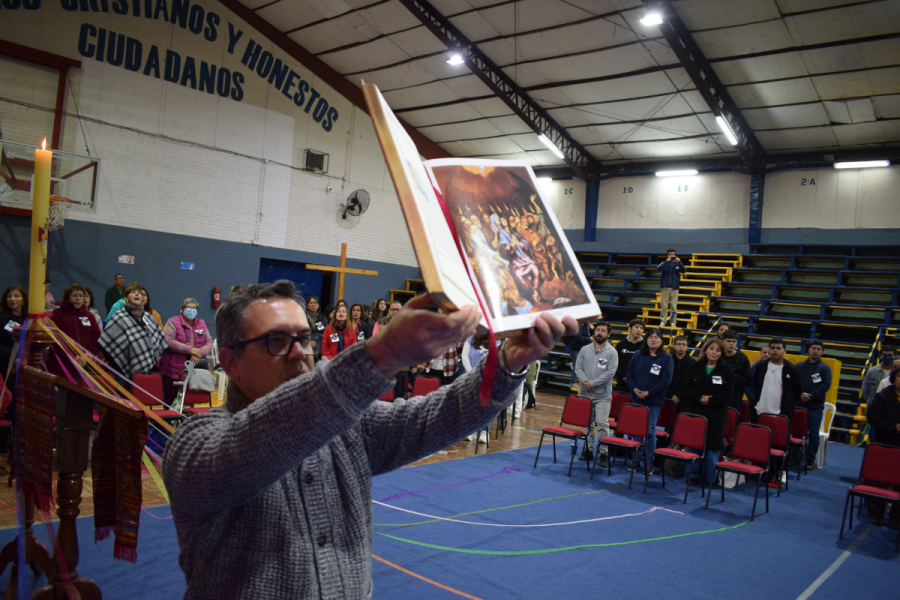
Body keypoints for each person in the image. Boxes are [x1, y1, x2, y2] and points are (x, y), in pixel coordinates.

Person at [162, 281, 574, 597]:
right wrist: (382, 354)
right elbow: (258, 443)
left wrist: (505, 366)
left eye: (303, 337)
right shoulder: (195, 445)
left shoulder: (349, 428)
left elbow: (432, 416)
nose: (300, 353)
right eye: (276, 341)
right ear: (230, 360)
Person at [682, 338, 733, 487]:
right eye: (712, 349)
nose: (714, 352)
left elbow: (727, 393)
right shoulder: (695, 366)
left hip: (716, 414)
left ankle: (709, 478)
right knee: (693, 446)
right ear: (706, 350)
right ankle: (692, 475)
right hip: (697, 412)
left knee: (712, 448)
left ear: (721, 353)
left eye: (718, 350)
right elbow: (687, 387)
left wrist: (711, 400)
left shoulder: (726, 370)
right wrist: (700, 398)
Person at [98, 282, 168, 389]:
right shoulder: (119, 316)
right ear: (125, 297)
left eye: (139, 293)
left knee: (141, 397)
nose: (137, 295)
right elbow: (107, 341)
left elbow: (159, 339)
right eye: (133, 292)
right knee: (123, 398)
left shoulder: (148, 317)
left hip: (146, 365)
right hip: (121, 366)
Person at [625, 328, 673, 474]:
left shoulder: (666, 358)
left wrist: (649, 392)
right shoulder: (638, 355)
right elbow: (629, 373)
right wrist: (634, 389)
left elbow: (666, 381)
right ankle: (636, 460)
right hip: (637, 397)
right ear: (646, 340)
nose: (653, 339)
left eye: (656, 337)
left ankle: (648, 463)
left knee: (650, 431)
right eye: (651, 337)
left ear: (661, 341)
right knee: (637, 430)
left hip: (654, 400)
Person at [574, 321, 618, 467]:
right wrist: (586, 382)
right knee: (587, 424)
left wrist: (593, 383)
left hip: (602, 395)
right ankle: (588, 449)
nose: (599, 332)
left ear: (608, 334)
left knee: (603, 424)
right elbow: (578, 368)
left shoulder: (612, 352)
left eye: (603, 331)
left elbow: (610, 372)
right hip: (585, 393)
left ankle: (604, 452)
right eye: (598, 330)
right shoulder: (585, 349)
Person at [159, 298, 215, 404]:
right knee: (169, 400)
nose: (192, 310)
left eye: (194, 308)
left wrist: (200, 353)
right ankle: (167, 420)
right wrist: (191, 350)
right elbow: (168, 341)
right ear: (181, 309)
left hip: (194, 367)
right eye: (189, 307)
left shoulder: (201, 323)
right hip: (172, 369)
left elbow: (209, 343)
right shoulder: (173, 321)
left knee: (189, 400)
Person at [865, 367, 900, 528]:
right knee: (879, 481)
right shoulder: (883, 396)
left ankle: (896, 517)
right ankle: (876, 513)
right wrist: (893, 427)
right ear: (894, 378)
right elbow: (872, 417)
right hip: (884, 443)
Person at [47, 284, 102, 378]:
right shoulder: (57, 314)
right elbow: (55, 339)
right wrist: (72, 357)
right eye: (74, 295)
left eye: (81, 295)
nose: (78, 298)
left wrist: (86, 356)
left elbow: (96, 337)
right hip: (61, 366)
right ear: (67, 297)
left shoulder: (89, 316)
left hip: (85, 366)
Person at [796, 341, 832, 470]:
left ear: (822, 352)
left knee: (814, 434)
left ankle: (810, 460)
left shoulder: (824, 368)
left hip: (815, 406)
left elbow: (825, 386)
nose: (815, 351)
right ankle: (794, 457)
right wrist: (800, 394)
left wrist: (810, 395)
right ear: (808, 350)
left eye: (818, 349)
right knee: (795, 432)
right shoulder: (799, 366)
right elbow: (793, 382)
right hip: (799, 405)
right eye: (813, 348)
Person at [750, 338, 801, 423]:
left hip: (782, 414)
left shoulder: (791, 369)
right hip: (760, 411)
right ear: (769, 350)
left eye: (778, 348)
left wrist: (787, 403)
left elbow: (797, 390)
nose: (775, 350)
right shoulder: (761, 366)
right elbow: (755, 384)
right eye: (773, 348)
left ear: (784, 350)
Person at [1, 285, 28, 388]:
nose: (13, 299)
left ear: (23, 299)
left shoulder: (30, 319)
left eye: (16, 296)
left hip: (27, 364)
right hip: (6, 365)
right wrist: (14, 358)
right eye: (9, 296)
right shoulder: (2, 318)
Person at [721, 331, 752, 411]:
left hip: (734, 399)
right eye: (728, 341)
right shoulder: (717, 357)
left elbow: (747, 379)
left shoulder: (743, 358)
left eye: (734, 341)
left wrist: (729, 379)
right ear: (722, 341)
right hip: (717, 397)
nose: (731, 344)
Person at [657, 249, 686, 326]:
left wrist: (680, 262)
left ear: (675, 255)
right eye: (670, 254)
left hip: (675, 288)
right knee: (664, 306)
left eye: (673, 254)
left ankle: (673, 322)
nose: (671, 256)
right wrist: (666, 261)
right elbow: (658, 268)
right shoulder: (664, 263)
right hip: (665, 287)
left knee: (673, 306)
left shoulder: (677, 263)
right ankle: (663, 320)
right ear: (667, 255)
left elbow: (684, 270)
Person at [614, 318, 644, 392]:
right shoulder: (620, 345)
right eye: (636, 327)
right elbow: (616, 363)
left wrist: (633, 377)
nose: (639, 330)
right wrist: (624, 376)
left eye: (641, 328)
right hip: (622, 381)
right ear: (630, 329)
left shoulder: (645, 346)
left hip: (639, 383)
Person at [563, 320, 593, 392]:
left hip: (581, 348)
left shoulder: (586, 324)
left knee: (581, 364)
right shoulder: (579, 324)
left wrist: (591, 328)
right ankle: (573, 382)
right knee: (577, 365)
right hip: (574, 347)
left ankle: (573, 365)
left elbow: (590, 334)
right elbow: (578, 337)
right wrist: (588, 339)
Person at [667, 335, 695, 408]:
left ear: (687, 346)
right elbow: (664, 379)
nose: (681, 347)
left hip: (685, 399)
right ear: (674, 346)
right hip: (667, 396)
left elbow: (691, 383)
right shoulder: (668, 360)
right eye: (679, 344)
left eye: (684, 344)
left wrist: (680, 396)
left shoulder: (692, 362)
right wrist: (671, 395)